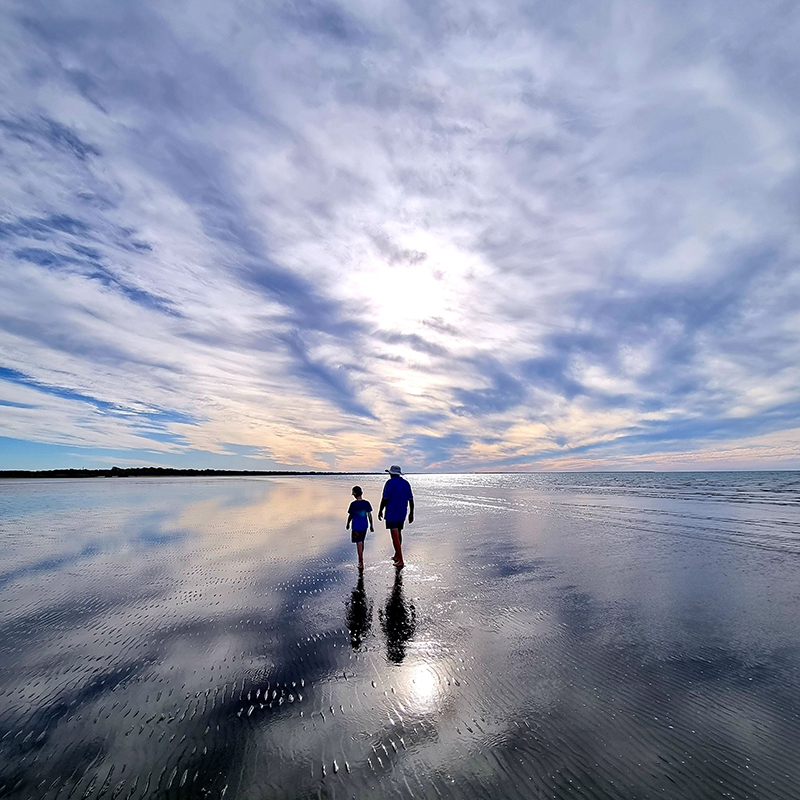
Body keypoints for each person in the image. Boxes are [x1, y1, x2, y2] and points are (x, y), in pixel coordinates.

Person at [378, 465, 414, 568]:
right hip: (402, 512)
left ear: (391, 474)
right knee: (398, 533)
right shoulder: (406, 483)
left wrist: (380, 510)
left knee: (395, 536)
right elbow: (411, 499)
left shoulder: (389, 483)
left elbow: (385, 499)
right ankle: (397, 555)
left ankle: (401, 560)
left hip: (392, 513)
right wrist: (411, 513)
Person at [346, 485, 373, 570]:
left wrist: (347, 523)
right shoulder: (366, 503)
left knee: (359, 543)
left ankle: (360, 561)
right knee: (362, 541)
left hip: (356, 527)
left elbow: (351, 515)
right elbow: (369, 515)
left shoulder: (353, 504)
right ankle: (361, 558)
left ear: (354, 494)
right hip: (364, 526)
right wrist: (372, 525)